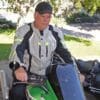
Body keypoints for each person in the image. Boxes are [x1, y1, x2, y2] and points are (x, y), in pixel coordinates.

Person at [8, 1, 80, 100]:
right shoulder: (24, 31)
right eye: (43, 16)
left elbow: (66, 54)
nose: (46, 20)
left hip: (47, 75)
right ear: (35, 15)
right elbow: (16, 50)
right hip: (26, 75)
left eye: (49, 17)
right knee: (17, 93)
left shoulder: (56, 33)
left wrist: (76, 72)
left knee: (65, 92)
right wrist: (18, 68)